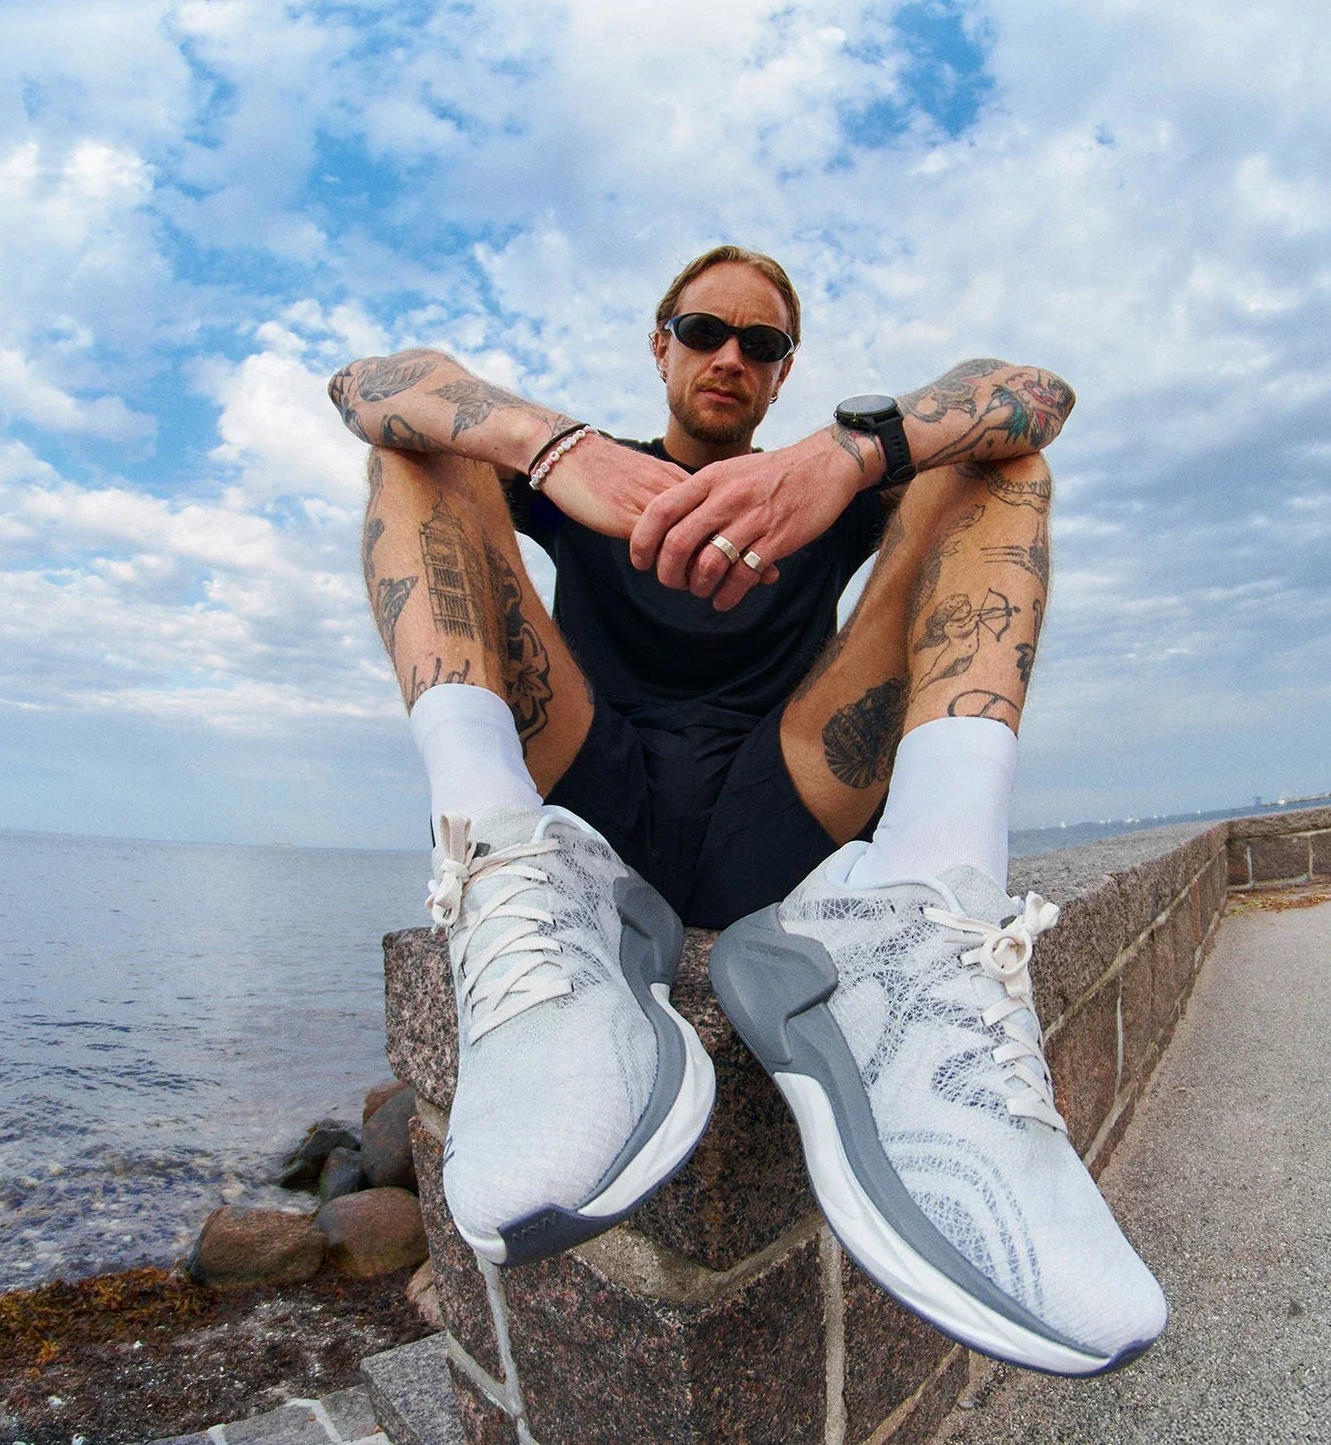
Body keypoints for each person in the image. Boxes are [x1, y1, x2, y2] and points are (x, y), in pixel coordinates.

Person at [327, 244, 1166, 1375]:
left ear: (781, 376)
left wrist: (845, 455)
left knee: (995, 464)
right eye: (702, 329)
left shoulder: (820, 487)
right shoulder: (589, 473)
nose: (728, 355)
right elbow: (370, 385)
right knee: (419, 443)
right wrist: (552, 447)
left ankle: (920, 910)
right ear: (659, 343)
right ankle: (503, 862)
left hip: (788, 809)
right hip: (593, 804)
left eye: (759, 344)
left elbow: (1033, 398)